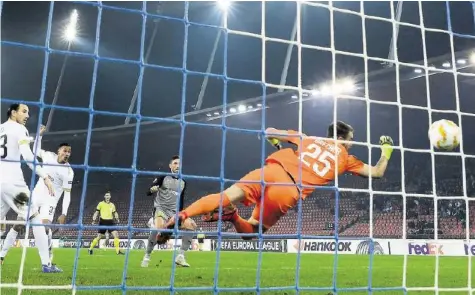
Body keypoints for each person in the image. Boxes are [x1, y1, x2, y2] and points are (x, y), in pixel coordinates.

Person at [161, 121, 393, 239]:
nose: (351, 144)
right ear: (341, 138)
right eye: (350, 140)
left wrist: (276, 144)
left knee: (225, 196)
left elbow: (269, 130)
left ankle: (182, 215)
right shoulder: (346, 157)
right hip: (289, 189)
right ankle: (232, 217)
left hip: (273, 169)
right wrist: (387, 151)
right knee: (252, 231)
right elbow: (377, 173)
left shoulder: (306, 138)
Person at [0, 125, 73, 265]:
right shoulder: (48, 156)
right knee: (18, 224)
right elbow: (34, 151)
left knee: (44, 228)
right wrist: (39, 136)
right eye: (65, 151)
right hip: (35, 196)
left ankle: (48, 255)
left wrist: (64, 213)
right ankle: (2, 256)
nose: (67, 154)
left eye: (69, 152)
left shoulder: (69, 172)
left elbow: (67, 194)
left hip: (50, 202)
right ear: (59, 151)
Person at [0, 104, 60, 272]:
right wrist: (45, 176)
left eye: (28, 112)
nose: (27, 115)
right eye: (24, 111)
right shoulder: (20, 129)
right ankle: (46, 264)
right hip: (14, 184)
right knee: (35, 218)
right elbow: (27, 156)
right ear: (13, 113)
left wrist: (36, 137)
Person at [141, 155, 197, 268]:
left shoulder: (183, 182)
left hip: (174, 212)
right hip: (161, 209)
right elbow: (149, 190)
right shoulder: (163, 177)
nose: (177, 166)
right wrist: (152, 190)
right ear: (170, 165)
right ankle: (147, 255)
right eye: (175, 163)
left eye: (179, 163)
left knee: (191, 225)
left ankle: (180, 257)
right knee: (158, 228)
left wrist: (181, 214)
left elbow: (180, 200)